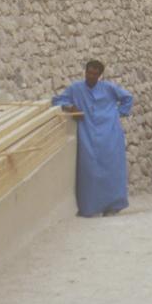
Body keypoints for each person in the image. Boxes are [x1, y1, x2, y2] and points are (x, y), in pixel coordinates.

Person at [52, 59, 134, 217]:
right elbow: (58, 100)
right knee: (89, 170)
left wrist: (118, 114)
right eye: (89, 73)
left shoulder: (109, 88)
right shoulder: (76, 88)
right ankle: (89, 208)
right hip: (87, 133)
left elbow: (127, 98)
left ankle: (113, 206)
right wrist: (70, 107)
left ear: (100, 75)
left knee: (112, 169)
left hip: (110, 133)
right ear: (85, 72)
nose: (91, 76)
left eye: (95, 74)